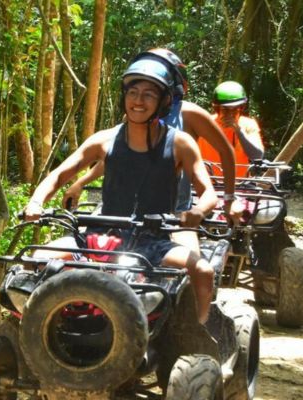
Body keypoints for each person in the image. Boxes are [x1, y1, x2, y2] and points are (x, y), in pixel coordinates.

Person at [24, 55, 218, 324]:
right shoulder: (103, 140)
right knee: (36, 259)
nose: (138, 101)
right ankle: (34, 327)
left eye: (149, 94)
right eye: (133, 92)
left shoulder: (180, 144)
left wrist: (197, 211)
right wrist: (36, 202)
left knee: (204, 269)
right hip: (97, 237)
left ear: (164, 101)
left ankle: (198, 330)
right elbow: (58, 175)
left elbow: (208, 192)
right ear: (124, 96)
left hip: (153, 241)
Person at [63, 49, 239, 231]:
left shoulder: (191, 114)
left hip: (177, 215)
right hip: (131, 214)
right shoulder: (136, 114)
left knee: (192, 258)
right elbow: (117, 158)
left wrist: (229, 199)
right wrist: (81, 182)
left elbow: (226, 150)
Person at [199, 81, 264, 177]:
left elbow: (257, 156)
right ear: (216, 108)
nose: (230, 114)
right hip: (208, 183)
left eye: (235, 109)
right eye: (225, 109)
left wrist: (239, 132)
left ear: (242, 108)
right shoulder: (204, 124)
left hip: (240, 185)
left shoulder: (248, 124)